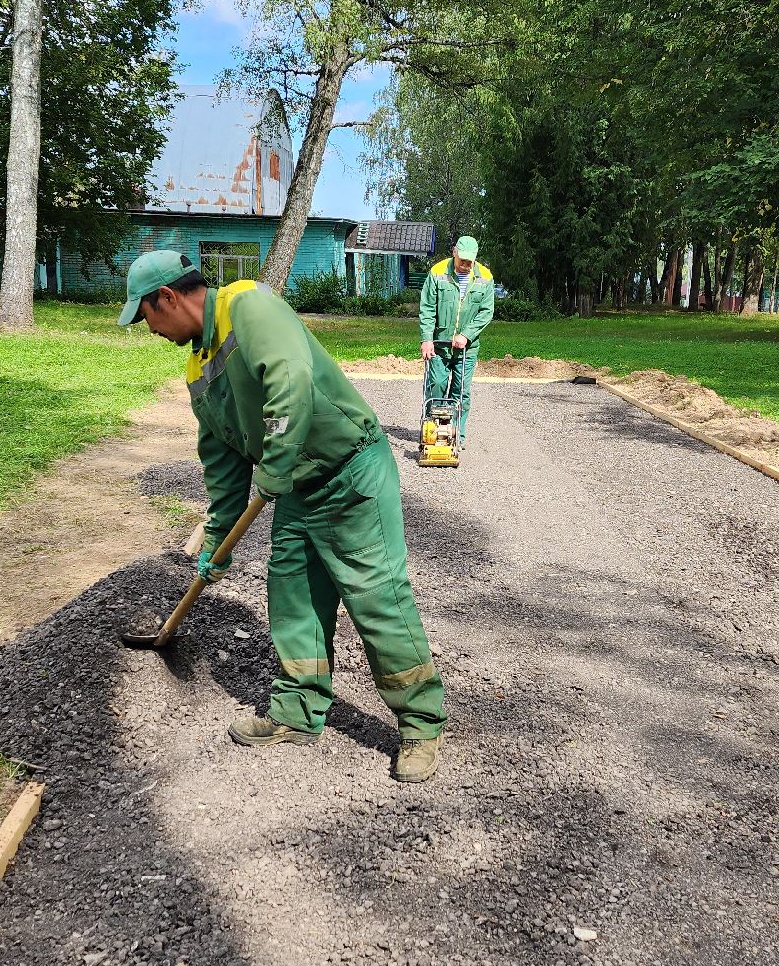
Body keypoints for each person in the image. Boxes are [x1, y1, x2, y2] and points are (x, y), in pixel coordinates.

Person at [118, 250, 449, 782]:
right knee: (292, 594)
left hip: (350, 471)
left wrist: (273, 465)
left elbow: (289, 380)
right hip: (296, 487)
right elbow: (221, 459)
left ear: (168, 298)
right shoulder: (198, 367)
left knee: (376, 596)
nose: (150, 330)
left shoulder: (250, 306)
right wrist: (218, 537)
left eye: (146, 316)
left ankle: (420, 723)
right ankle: (297, 711)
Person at [418, 236, 496, 445]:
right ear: (454, 252)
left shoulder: (485, 277)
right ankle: (432, 430)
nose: (465, 265)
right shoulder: (438, 272)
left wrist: (466, 335)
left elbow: (486, 312)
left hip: (467, 349)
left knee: (461, 391)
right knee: (436, 385)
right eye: (462, 260)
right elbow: (427, 308)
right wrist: (427, 339)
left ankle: (456, 434)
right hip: (439, 345)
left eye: (470, 261)